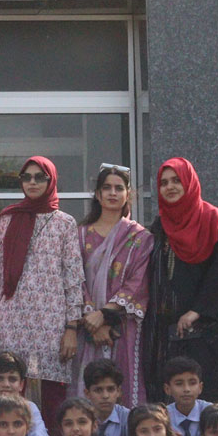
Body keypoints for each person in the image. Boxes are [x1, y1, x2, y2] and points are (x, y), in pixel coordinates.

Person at [0, 156, 86, 436]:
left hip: (51, 322)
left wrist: (71, 327)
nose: (32, 182)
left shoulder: (65, 223)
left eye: (40, 177)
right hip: (12, 319)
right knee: (10, 390)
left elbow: (73, 278)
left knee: (52, 396)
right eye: (26, 177)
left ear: (51, 181)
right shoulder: (8, 218)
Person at [140, 157, 218, 405]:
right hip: (163, 328)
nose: (170, 187)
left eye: (176, 180)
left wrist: (196, 311)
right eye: (164, 183)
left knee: (203, 389)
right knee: (164, 392)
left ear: (189, 183)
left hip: (202, 326)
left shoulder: (212, 218)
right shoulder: (160, 225)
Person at [73, 164, 153, 405]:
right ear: (98, 195)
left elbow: (138, 282)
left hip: (122, 325)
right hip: (86, 325)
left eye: (119, 188)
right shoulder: (79, 235)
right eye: (107, 188)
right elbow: (74, 278)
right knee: (85, 391)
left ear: (128, 195)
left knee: (123, 386)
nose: (112, 193)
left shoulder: (140, 237)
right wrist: (92, 319)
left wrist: (104, 315)